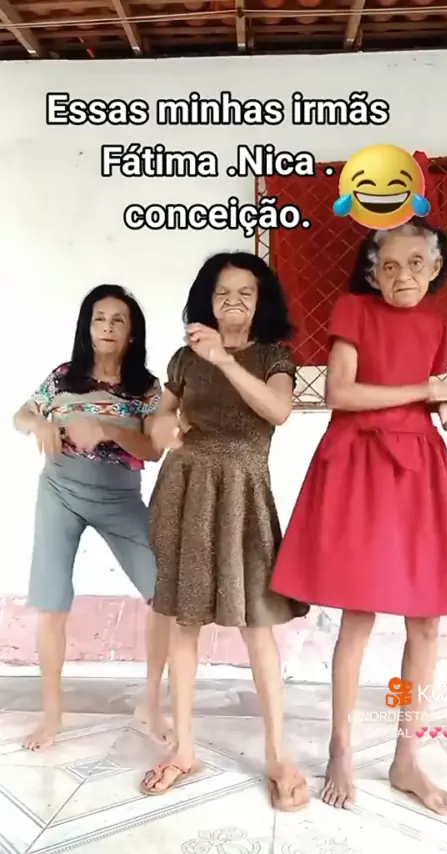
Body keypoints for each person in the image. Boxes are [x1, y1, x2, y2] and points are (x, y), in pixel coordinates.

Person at [270, 219, 447, 815]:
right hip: (359, 459)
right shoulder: (353, 310)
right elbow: (341, 393)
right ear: (372, 272)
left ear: (435, 269)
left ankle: (406, 756)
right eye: (389, 266)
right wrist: (429, 391)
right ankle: (340, 748)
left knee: (427, 621)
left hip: (418, 466)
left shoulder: (437, 322)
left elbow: (428, 394)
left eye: (415, 264)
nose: (402, 275)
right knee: (358, 613)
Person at [139, 251, 310, 810]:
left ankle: (278, 754)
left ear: (261, 303)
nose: (233, 301)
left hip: (243, 495)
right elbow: (159, 420)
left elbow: (278, 411)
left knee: (257, 626)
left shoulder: (274, 357)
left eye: (245, 293)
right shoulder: (184, 360)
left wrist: (224, 359)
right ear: (206, 302)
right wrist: (164, 427)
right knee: (183, 622)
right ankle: (184, 749)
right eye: (222, 293)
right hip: (185, 491)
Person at [13, 284, 170, 751]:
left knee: (165, 595)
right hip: (60, 490)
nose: (107, 327)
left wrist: (106, 429)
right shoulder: (64, 377)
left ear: (131, 333)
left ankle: (152, 704)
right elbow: (21, 415)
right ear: (87, 326)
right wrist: (40, 423)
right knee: (53, 601)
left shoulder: (147, 389)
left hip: (119, 497)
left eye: (118, 320)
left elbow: (154, 450)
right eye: (99, 318)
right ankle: (52, 717)